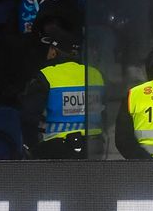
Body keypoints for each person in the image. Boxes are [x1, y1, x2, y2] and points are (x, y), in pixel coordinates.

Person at [20, 24, 105, 159]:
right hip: (94, 145)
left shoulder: (47, 75)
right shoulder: (95, 74)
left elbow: (29, 117)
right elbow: (104, 112)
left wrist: (32, 147)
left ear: (54, 51)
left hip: (57, 148)